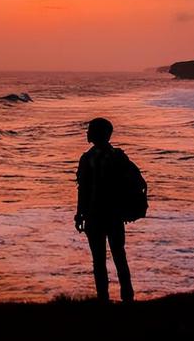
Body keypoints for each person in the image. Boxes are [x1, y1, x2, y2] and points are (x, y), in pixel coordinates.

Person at [74, 117, 135, 303]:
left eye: (90, 130)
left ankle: (104, 300)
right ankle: (127, 298)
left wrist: (79, 214)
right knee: (119, 256)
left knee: (99, 260)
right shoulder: (117, 156)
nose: (87, 133)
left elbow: (83, 190)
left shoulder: (88, 158)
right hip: (114, 215)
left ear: (97, 134)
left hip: (96, 216)